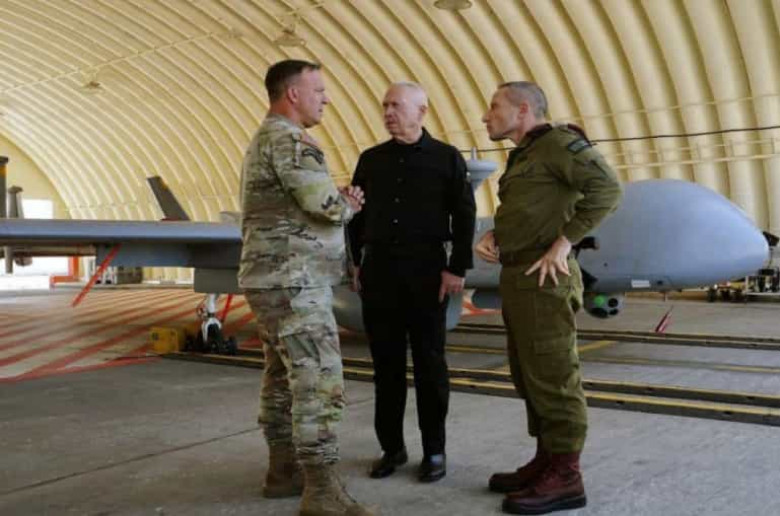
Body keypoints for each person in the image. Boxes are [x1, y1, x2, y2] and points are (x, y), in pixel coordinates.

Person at [475, 82, 622, 515]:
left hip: (546, 277)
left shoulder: (559, 144)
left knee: (555, 376)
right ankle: (547, 459)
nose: (486, 116)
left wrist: (564, 243)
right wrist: (496, 234)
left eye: (494, 107)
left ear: (523, 110)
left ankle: (567, 476)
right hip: (520, 276)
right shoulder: (526, 155)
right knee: (530, 375)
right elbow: (536, 209)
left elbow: (607, 189)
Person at [239, 59, 376, 516]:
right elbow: (325, 206)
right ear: (293, 94)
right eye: (318, 90)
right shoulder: (292, 140)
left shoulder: (266, 138)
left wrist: (334, 200)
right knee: (318, 381)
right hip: (295, 282)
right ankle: (321, 490)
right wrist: (348, 202)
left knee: (282, 378)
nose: (326, 99)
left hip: (271, 281)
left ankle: (283, 472)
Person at [347, 82, 476, 483]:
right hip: (380, 272)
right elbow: (356, 215)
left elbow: (465, 215)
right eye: (385, 105)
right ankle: (392, 448)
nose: (388, 112)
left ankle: (434, 451)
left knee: (429, 365)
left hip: (427, 273)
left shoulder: (446, 158)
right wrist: (355, 262)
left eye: (396, 105)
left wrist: (457, 268)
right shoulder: (371, 159)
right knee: (385, 367)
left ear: (422, 111)